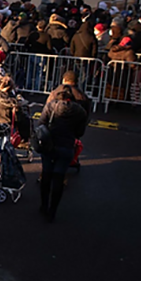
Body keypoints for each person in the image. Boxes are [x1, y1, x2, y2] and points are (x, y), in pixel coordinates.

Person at [38, 89, 87, 222]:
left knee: (46, 175)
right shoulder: (79, 111)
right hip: (66, 146)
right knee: (59, 178)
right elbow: (80, 132)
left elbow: (41, 124)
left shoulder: (50, 106)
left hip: (49, 145)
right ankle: (52, 211)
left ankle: (44, 205)